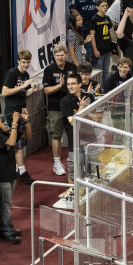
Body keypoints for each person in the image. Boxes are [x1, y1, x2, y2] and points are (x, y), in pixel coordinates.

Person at [0, 109, 31, 244]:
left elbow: (27, 136)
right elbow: (11, 143)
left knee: (7, 202)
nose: (8, 127)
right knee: (6, 203)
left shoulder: (8, 129)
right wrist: (13, 125)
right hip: (0, 174)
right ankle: (7, 231)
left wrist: (26, 121)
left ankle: (5, 229)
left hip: (10, 171)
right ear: (1, 122)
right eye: (7, 125)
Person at [1, 49, 39, 185]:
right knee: (16, 144)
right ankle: (21, 171)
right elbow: (4, 92)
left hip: (22, 112)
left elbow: (22, 94)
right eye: (23, 62)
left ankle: (17, 169)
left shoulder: (26, 75)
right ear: (18, 61)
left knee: (21, 142)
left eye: (28, 62)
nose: (26, 65)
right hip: (12, 114)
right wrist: (22, 86)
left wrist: (31, 91)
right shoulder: (11, 74)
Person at [42, 45, 78, 176]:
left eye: (62, 55)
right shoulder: (49, 70)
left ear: (66, 55)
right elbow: (46, 90)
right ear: (54, 56)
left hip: (70, 107)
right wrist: (59, 85)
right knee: (56, 135)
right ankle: (57, 163)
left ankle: (73, 161)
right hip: (55, 108)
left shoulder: (72, 67)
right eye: (57, 55)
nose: (59, 57)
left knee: (72, 134)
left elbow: (76, 84)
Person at [60, 73, 97, 183]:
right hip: (75, 142)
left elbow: (96, 119)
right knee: (74, 173)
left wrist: (86, 112)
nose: (70, 86)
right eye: (68, 84)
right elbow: (73, 122)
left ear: (80, 84)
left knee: (93, 171)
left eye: (73, 84)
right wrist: (81, 108)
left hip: (91, 139)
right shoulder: (65, 101)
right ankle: (73, 196)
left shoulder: (89, 97)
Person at [102, 57, 133, 144]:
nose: (123, 69)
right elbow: (107, 95)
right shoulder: (111, 79)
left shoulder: (132, 78)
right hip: (116, 110)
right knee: (118, 133)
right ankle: (118, 151)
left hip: (129, 109)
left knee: (129, 131)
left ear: (129, 69)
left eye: (125, 67)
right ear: (118, 67)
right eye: (121, 67)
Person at [89, 0, 115, 88]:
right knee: (99, 72)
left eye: (106, 6)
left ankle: (106, 89)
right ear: (97, 7)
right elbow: (92, 36)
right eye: (102, 6)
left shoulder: (107, 18)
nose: (105, 8)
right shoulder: (94, 19)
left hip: (107, 49)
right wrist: (95, 50)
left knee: (106, 72)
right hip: (99, 50)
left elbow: (111, 32)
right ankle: (99, 90)